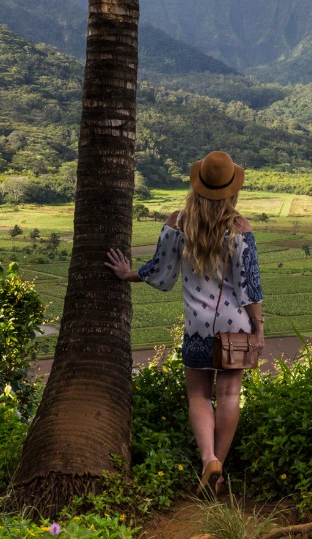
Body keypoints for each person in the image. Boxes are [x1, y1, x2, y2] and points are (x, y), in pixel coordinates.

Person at [105, 150, 264, 495]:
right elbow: (249, 285)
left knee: (197, 395)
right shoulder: (239, 227)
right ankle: (219, 471)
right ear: (232, 189)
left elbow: (161, 273)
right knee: (230, 393)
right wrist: (259, 328)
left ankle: (208, 458)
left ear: (198, 184)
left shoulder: (178, 222)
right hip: (235, 326)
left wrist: (127, 273)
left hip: (197, 328)